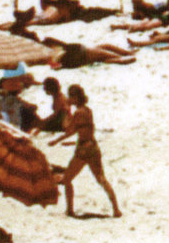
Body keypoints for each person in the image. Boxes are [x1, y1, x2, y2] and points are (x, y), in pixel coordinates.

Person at [45, 84, 120, 218]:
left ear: (75, 98)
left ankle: (69, 210)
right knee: (101, 179)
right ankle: (116, 209)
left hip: (83, 150)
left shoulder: (78, 113)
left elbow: (69, 129)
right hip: (93, 147)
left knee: (67, 179)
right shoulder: (87, 110)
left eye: (70, 96)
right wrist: (57, 140)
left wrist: (66, 111)